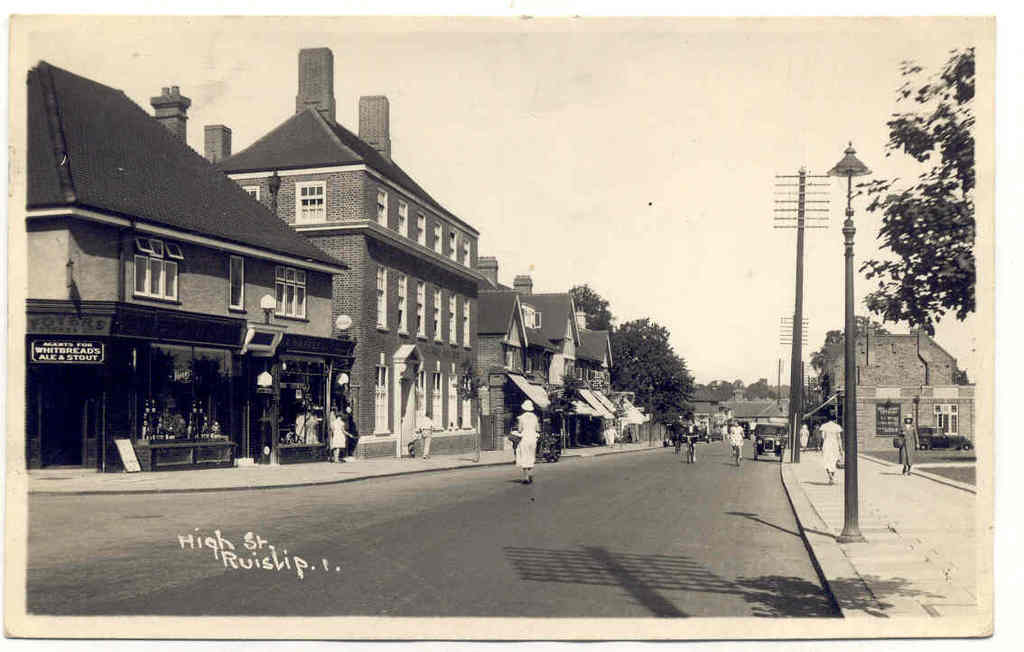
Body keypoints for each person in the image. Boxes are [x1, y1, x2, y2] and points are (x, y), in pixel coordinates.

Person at [514, 400, 540, 484]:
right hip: (533, 438)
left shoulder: (521, 417)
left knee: (524, 456)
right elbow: (538, 429)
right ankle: (530, 473)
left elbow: (520, 429)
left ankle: (526, 477)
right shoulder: (535, 417)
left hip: (525, 438)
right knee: (531, 455)